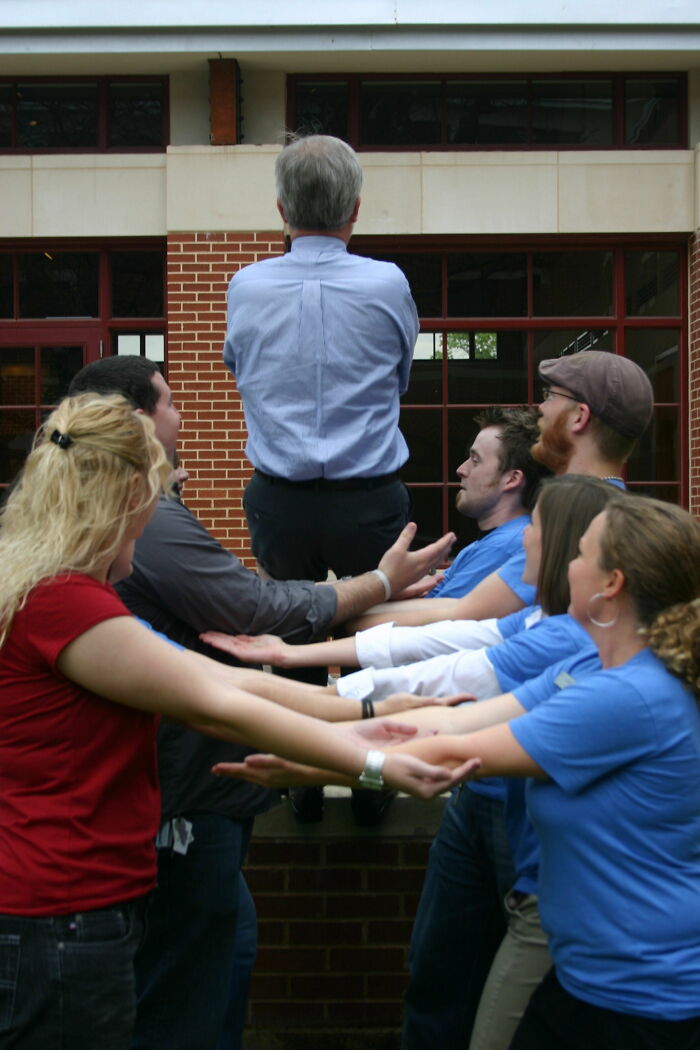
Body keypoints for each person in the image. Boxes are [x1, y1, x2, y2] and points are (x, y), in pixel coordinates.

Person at [0, 392, 468, 1050]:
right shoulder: (65, 603)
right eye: (159, 497)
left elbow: (226, 680)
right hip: (58, 909)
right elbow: (217, 704)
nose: (156, 519)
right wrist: (372, 762)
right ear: (128, 497)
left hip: (64, 906)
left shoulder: (55, 589)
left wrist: (368, 713)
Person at [208, 475, 618, 1050]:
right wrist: (295, 667)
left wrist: (314, 758)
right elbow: (438, 659)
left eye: (539, 531)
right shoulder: (548, 630)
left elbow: (452, 733)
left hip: (582, 918)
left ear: (605, 577)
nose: (523, 539)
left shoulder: (582, 656)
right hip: (556, 894)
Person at [388, 495, 700, 1050]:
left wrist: (274, 732)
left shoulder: (628, 694)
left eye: (579, 554)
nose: (565, 563)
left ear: (612, 583)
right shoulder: (603, 667)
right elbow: (449, 722)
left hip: (644, 1003)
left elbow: (450, 750)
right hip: (593, 982)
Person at [222, 133, 418, 585]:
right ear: (355, 209)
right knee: (380, 625)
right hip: (368, 500)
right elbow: (400, 376)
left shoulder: (245, 286)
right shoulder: (389, 284)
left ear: (282, 211)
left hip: (279, 503)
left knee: (285, 625)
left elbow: (238, 368)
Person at [352, 348, 654, 631]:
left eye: (550, 396)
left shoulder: (578, 519)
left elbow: (457, 616)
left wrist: (341, 609)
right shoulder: (612, 510)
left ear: (580, 417)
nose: (541, 408)